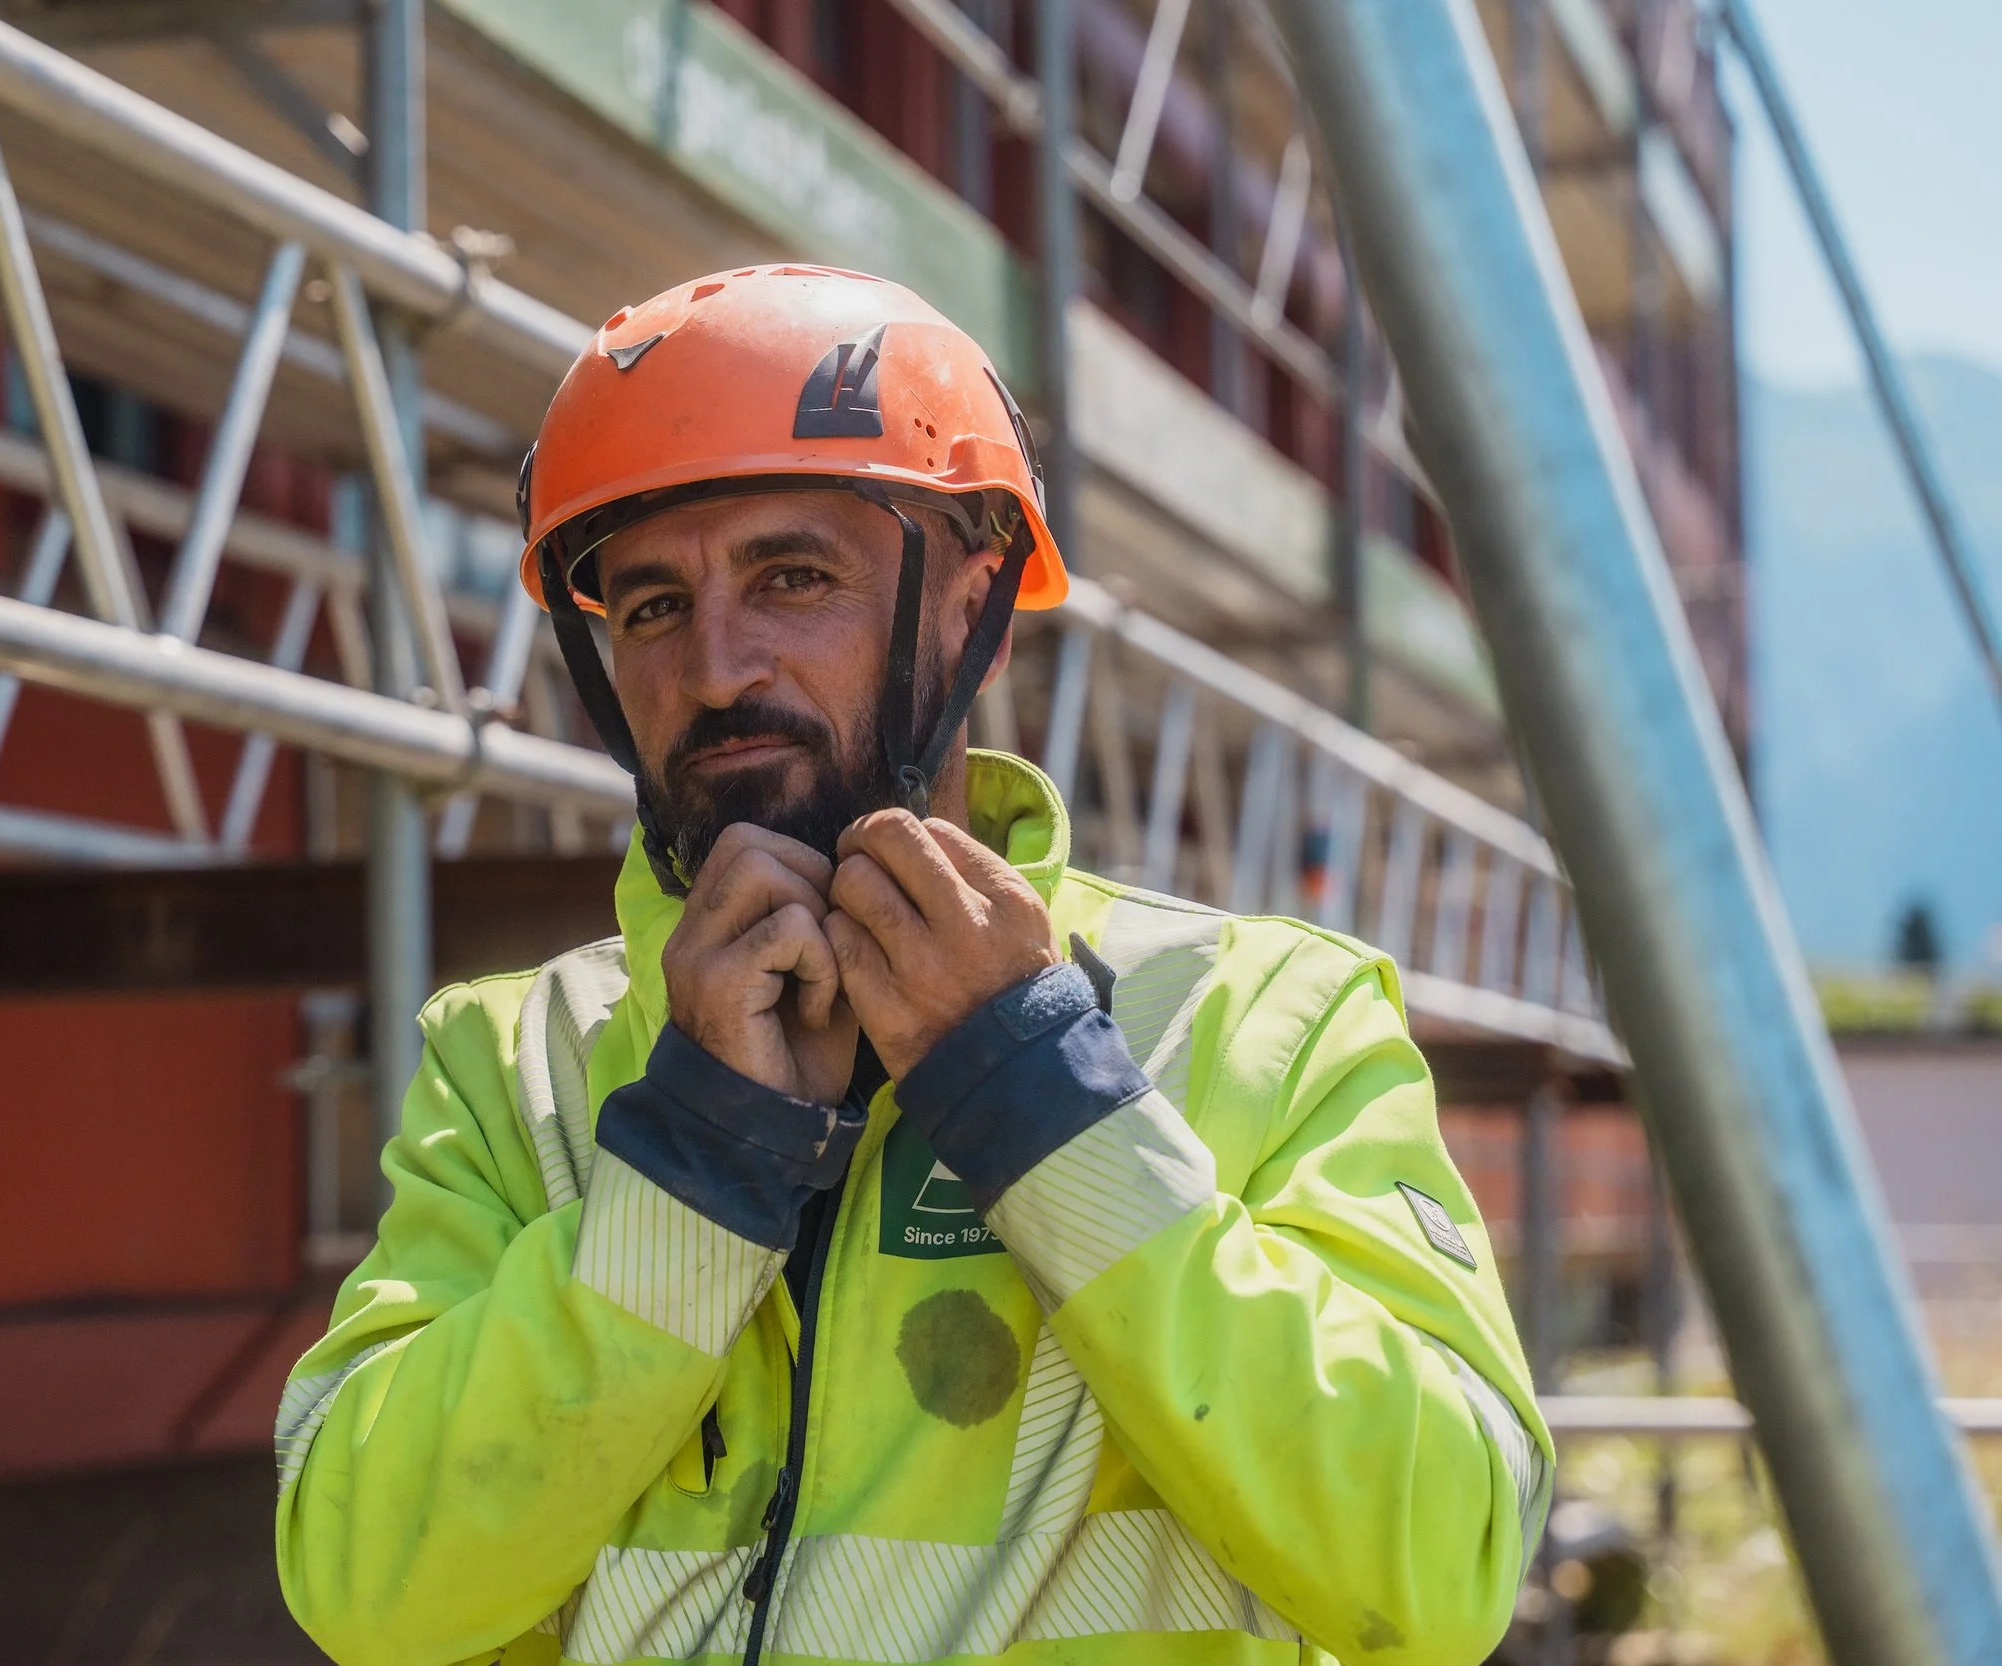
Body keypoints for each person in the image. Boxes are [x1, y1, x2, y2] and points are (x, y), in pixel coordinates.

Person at [274, 265, 1548, 1666]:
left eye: (793, 578)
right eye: (650, 608)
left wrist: (1043, 1096)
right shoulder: (516, 1060)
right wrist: (695, 1155)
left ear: (972, 602)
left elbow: (1445, 1561)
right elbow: (362, 1585)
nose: (716, 668)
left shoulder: (1263, 1023)